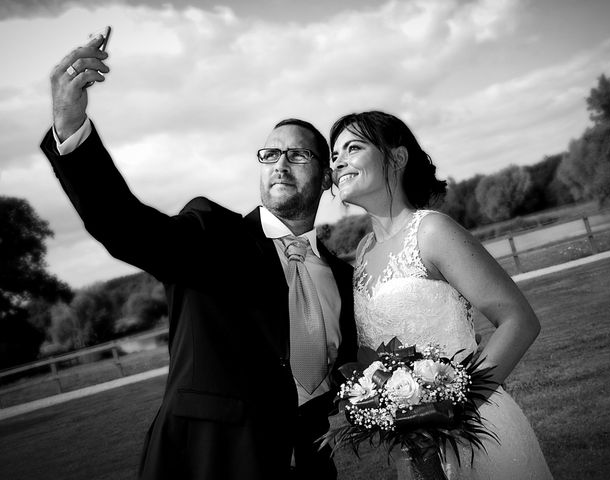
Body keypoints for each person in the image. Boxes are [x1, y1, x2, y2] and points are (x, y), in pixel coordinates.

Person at [40, 35, 357, 480]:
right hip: (204, 461)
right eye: (270, 153)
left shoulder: (344, 277)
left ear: (326, 178)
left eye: (299, 154)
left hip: (307, 466)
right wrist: (71, 126)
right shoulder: (212, 233)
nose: (280, 163)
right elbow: (126, 227)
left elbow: (341, 375)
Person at [329, 110, 554, 479]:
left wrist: (453, 413)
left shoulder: (432, 230)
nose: (338, 162)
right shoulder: (364, 250)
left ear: (397, 158)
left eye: (353, 148)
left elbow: (519, 320)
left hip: (472, 432)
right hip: (411, 445)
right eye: (335, 155)